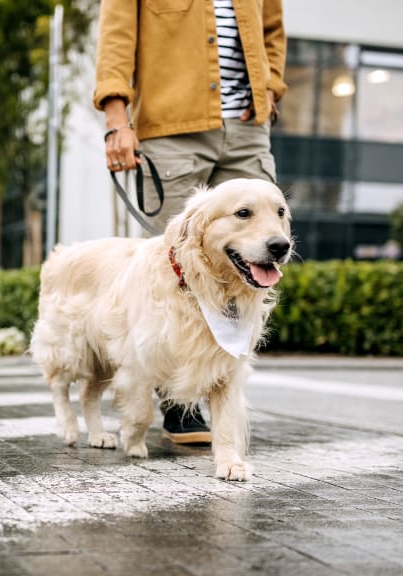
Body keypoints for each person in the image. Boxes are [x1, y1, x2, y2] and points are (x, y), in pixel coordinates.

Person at [94, 0, 287, 443]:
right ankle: (179, 402)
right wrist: (116, 119)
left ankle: (221, 392)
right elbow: (117, 36)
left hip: (248, 128)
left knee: (254, 259)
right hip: (172, 124)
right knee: (175, 267)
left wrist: (270, 87)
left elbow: (272, 26)